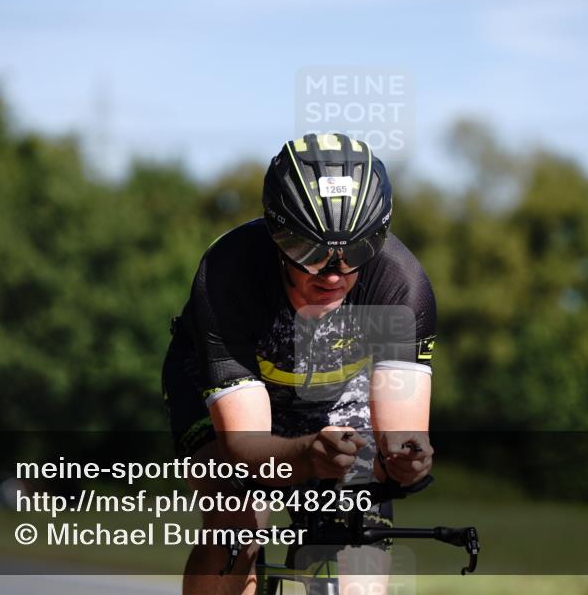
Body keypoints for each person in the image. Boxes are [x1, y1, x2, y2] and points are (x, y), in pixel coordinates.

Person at [162, 132, 437, 595]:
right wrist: (308, 454)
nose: (333, 274)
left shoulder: (401, 284)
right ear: (278, 237)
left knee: (361, 551)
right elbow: (243, 448)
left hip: (336, 394)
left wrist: (406, 460)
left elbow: (400, 433)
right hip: (231, 397)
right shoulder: (229, 272)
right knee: (236, 524)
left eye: (355, 253)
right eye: (310, 253)